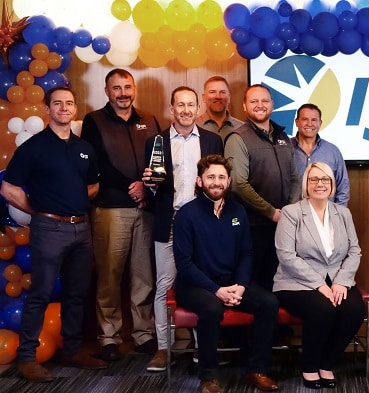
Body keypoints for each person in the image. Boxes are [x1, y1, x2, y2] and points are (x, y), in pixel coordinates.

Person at [2, 87, 106, 382]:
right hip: (48, 228)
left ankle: (72, 350)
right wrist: (37, 211)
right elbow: (8, 189)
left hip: (81, 228)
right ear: (47, 109)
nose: (64, 108)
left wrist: (75, 205)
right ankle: (27, 358)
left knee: (77, 292)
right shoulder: (33, 148)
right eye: (57, 103)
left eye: (69, 103)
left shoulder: (84, 147)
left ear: (75, 109)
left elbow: (93, 186)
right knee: (41, 294)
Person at [173, 155, 279, 393]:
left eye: (221, 177)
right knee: (212, 308)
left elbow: (246, 253)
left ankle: (257, 370)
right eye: (211, 177)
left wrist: (241, 285)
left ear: (229, 181)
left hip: (231, 282)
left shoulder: (237, 211)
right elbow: (184, 264)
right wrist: (216, 291)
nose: (216, 182)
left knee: (268, 303)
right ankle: (208, 377)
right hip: (195, 285)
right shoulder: (186, 215)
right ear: (200, 181)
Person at [142, 86, 224, 372]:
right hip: (170, 221)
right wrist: (149, 185)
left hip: (203, 225)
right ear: (171, 109)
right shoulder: (156, 142)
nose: (186, 110)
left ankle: (205, 349)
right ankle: (163, 349)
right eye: (181, 105)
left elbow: (220, 183)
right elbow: (153, 190)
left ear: (198, 109)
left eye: (191, 105)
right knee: (165, 284)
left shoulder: (213, 141)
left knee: (204, 283)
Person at [81, 68, 160, 361]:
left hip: (146, 209)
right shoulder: (94, 121)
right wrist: (132, 186)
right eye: (117, 88)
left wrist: (146, 187)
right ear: (107, 92)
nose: (123, 93)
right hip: (111, 208)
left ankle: (143, 334)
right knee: (110, 275)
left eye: (127, 87)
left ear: (134, 88)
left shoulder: (149, 120)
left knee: (144, 276)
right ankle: (109, 337)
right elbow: (96, 163)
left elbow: (158, 160)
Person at [273, 162, 364, 389]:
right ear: (306, 184)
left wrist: (342, 281)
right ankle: (309, 365)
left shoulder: (343, 213)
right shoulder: (292, 213)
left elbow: (354, 251)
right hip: (295, 282)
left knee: (354, 310)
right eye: (314, 179)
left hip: (336, 279)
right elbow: (286, 256)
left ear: (332, 184)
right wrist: (319, 285)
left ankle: (327, 362)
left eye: (325, 180)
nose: (320, 184)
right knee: (322, 309)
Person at [225, 84, 300, 291]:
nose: (260, 105)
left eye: (265, 101)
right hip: (253, 227)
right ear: (244, 106)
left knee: (279, 281)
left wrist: (289, 212)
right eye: (254, 101)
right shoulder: (237, 138)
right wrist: (271, 212)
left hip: (284, 225)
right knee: (255, 284)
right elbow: (238, 184)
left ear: (272, 105)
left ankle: (275, 324)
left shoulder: (283, 137)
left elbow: (295, 177)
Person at [291, 103, 350, 206]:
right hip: (293, 216)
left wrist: (337, 215)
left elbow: (343, 188)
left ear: (320, 123)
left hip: (326, 216)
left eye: (314, 120)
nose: (309, 124)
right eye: (305, 119)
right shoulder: (284, 148)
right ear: (297, 122)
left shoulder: (332, 151)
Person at [196, 75, 244, 143]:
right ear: (203, 98)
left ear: (229, 97)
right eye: (212, 92)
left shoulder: (242, 128)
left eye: (222, 92)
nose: (218, 96)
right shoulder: (194, 126)